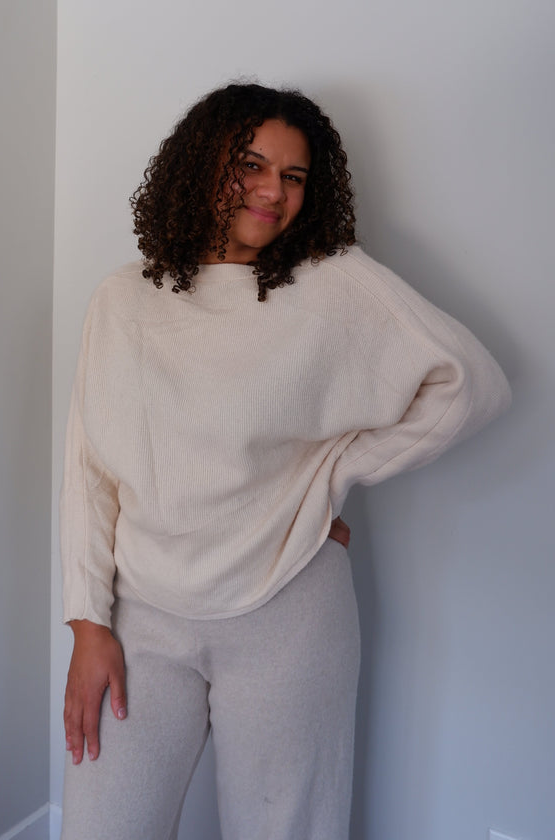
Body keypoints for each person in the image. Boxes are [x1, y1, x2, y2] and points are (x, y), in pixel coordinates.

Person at [60, 82, 511, 840]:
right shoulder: (123, 299)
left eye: (295, 176)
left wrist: (333, 474)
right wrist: (85, 622)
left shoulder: (329, 285)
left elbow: (471, 384)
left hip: (290, 611)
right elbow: (89, 470)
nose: (274, 191)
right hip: (142, 613)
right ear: (201, 165)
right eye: (252, 164)